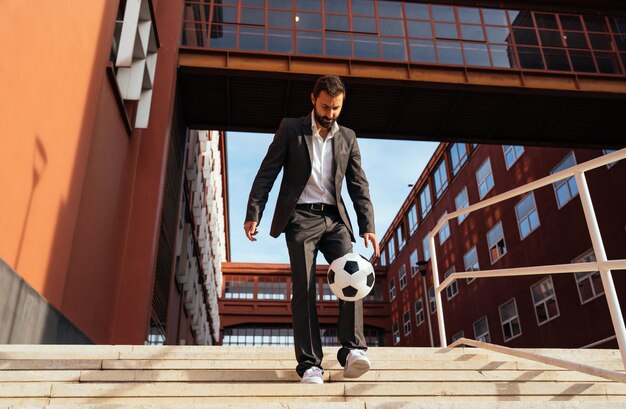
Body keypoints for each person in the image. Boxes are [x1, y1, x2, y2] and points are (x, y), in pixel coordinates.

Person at [244, 75, 380, 384]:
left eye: (336, 108)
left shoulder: (347, 137)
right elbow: (266, 173)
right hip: (301, 218)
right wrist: (255, 212)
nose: (330, 114)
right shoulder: (291, 129)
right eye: (325, 106)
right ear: (313, 99)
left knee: (354, 274)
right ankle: (309, 365)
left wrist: (367, 225)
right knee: (304, 289)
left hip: (335, 219)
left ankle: (352, 350)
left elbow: (359, 184)